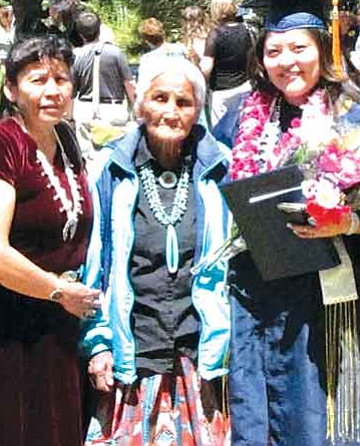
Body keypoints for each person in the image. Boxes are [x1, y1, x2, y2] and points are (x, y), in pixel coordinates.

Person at [213, 5, 360, 445]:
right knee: (268, 405)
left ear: (323, 52)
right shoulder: (238, 119)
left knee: (335, 413)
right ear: (260, 59)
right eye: (273, 51)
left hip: (338, 299)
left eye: (299, 48)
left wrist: (348, 222)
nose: (286, 61)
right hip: (264, 295)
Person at [0, 35, 102, 446]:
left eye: (61, 78)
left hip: (59, 316)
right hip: (8, 317)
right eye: (37, 80)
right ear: (11, 90)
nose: (52, 90)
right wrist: (57, 291)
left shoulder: (67, 140)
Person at [81, 58, 231, 445]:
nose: (170, 111)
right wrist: (98, 342)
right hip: (134, 351)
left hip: (199, 352)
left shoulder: (221, 170)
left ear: (198, 109)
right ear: (140, 103)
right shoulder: (109, 170)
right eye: (159, 98)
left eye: (183, 102)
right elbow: (92, 265)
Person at [72, 11, 136, 153]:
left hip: (85, 111)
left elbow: (72, 90)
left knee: (87, 157)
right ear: (99, 29)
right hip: (113, 111)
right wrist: (136, 109)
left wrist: (69, 116)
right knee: (116, 154)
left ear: (79, 33)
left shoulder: (76, 56)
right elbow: (129, 84)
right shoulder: (115, 53)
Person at [200, 0, 253, 128]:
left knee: (220, 133)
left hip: (221, 91)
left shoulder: (215, 34)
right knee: (244, 129)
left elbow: (206, 66)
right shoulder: (246, 30)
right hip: (244, 86)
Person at [137, 17, 187, 82]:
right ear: (163, 33)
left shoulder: (147, 59)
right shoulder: (181, 49)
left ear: (146, 40)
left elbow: (143, 86)